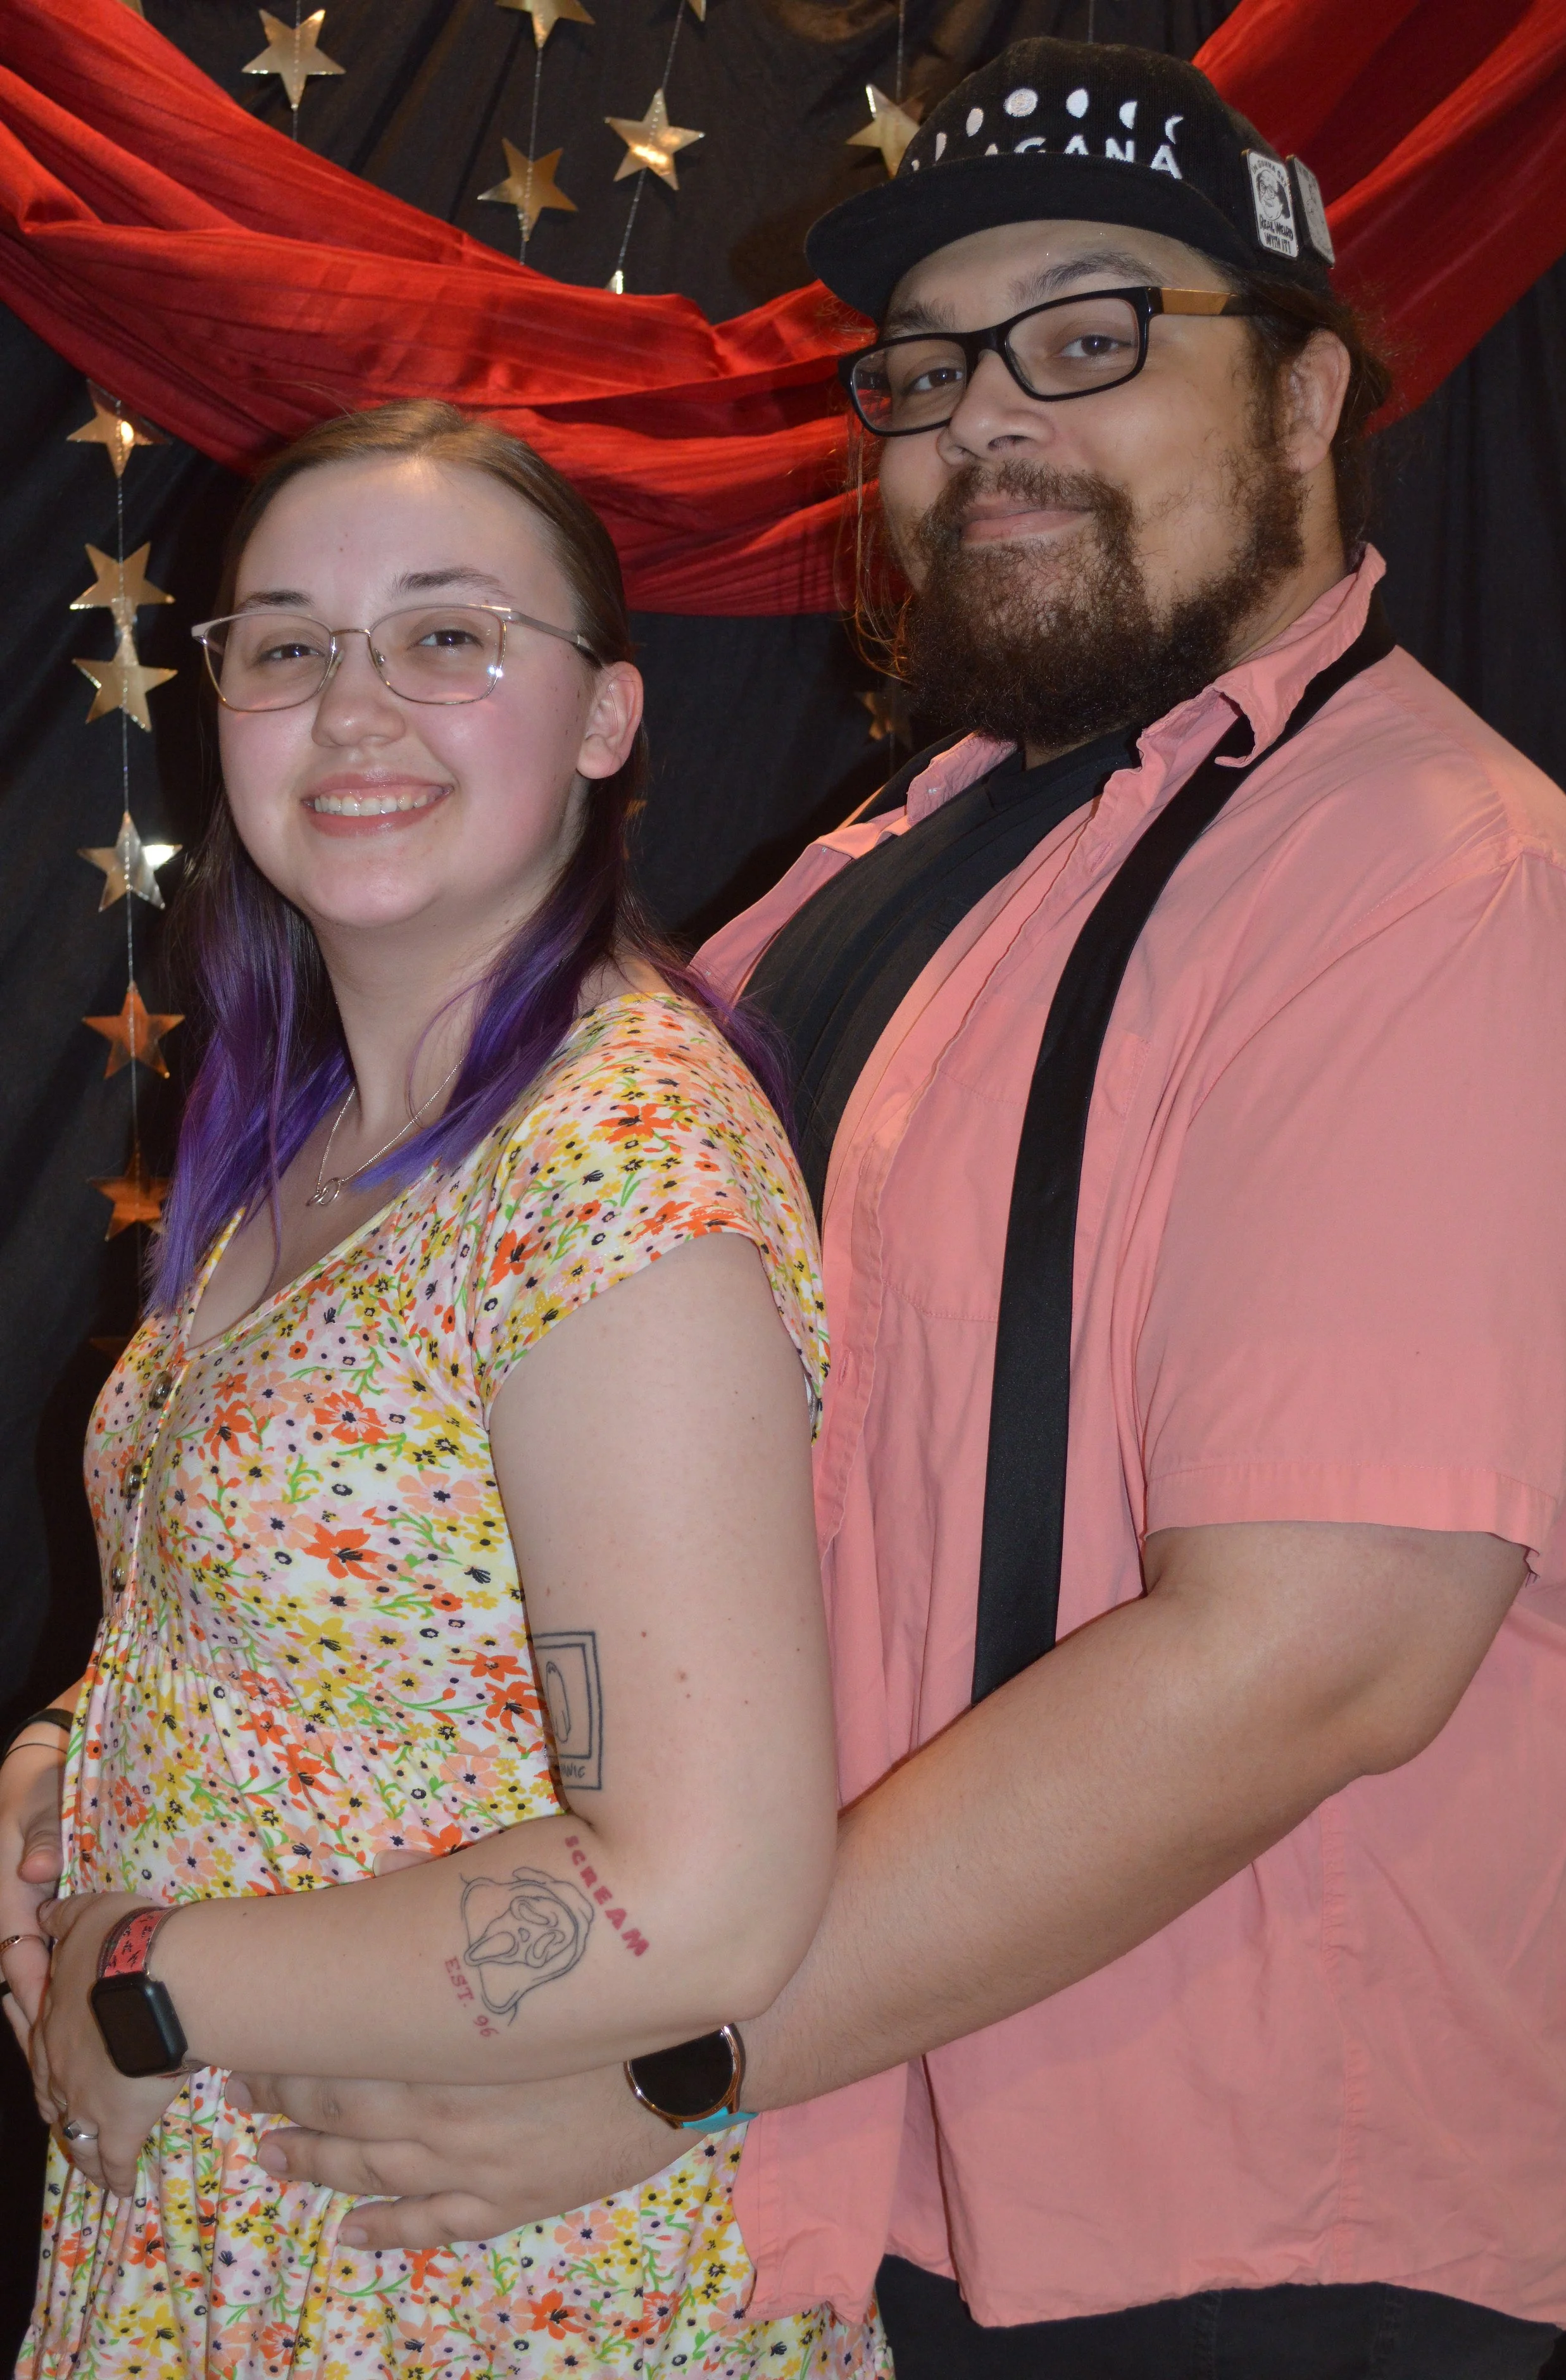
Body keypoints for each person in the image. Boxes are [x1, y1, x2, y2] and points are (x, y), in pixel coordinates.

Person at [14, 34, 1566, 2380]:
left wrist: (676, 2052)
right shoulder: (881, 870)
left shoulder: (1432, 881)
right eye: (928, 369)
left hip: (1215, 2223)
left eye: (1088, 339)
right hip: (860, 2188)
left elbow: (1314, 1648)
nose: (985, 422)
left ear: (1304, 395)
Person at [0, 399, 886, 2379]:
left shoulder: (612, 1166)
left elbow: (699, 1891)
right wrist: (70, 1759)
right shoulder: (306, 1134)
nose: (354, 707)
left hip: (447, 2278)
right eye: (289, 643)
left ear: (605, 719)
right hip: (241, 2234)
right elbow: (314, 1626)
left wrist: (139, 1980)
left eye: (449, 635)